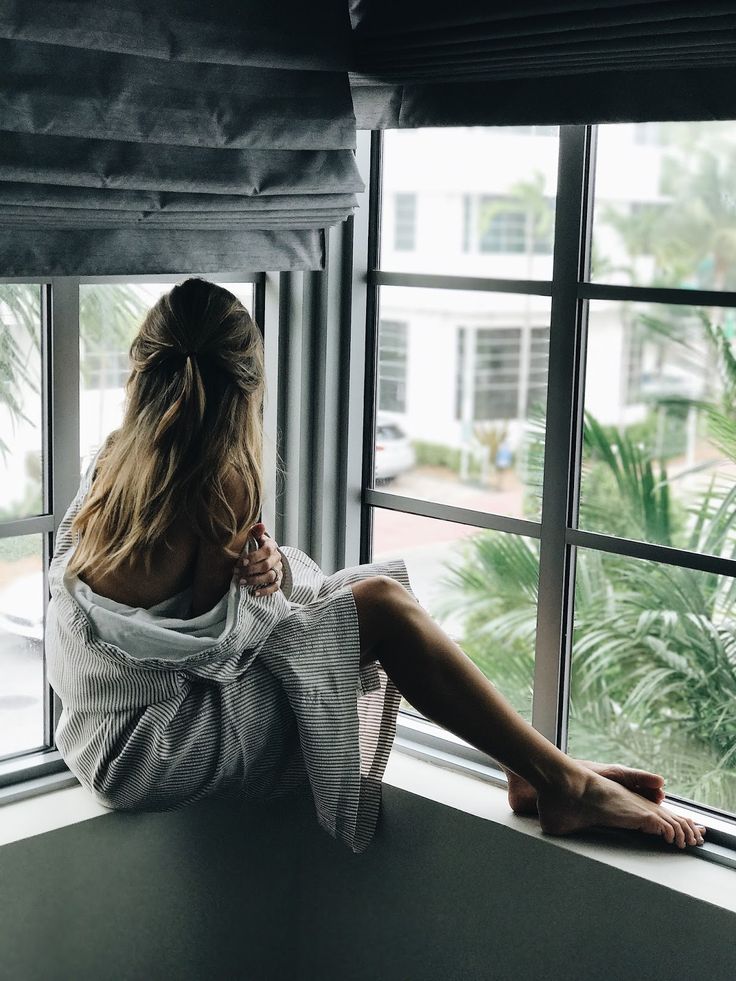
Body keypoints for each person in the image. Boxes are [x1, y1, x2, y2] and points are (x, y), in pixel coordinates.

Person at [46, 278, 705, 854]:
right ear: (248, 386)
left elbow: (107, 605)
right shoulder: (218, 490)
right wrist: (264, 588)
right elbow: (222, 658)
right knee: (382, 606)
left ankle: (532, 767)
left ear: (142, 370)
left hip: (99, 730)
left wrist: (260, 572)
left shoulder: (114, 464)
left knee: (360, 595)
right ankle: (562, 782)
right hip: (155, 750)